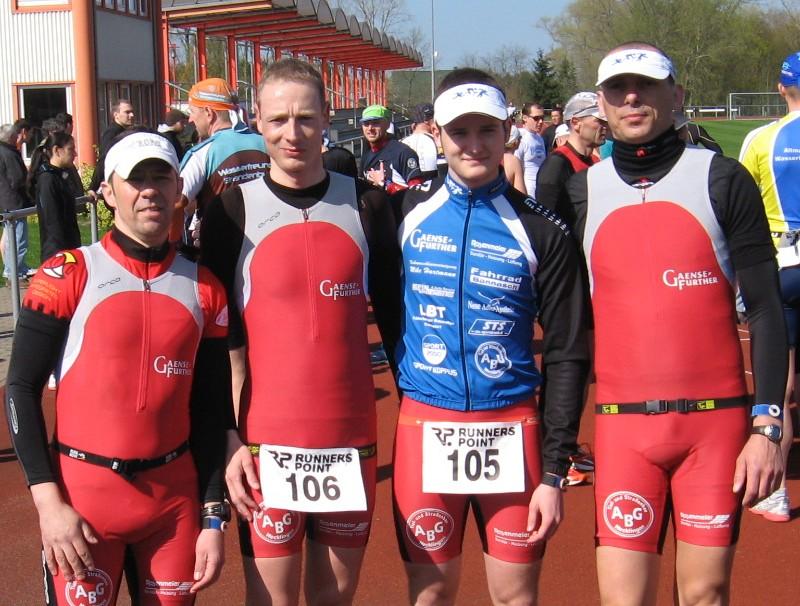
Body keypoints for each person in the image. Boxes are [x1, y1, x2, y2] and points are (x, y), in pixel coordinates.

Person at [565, 43, 786, 606]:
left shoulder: (724, 179)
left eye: (646, 86)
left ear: (677, 95)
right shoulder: (578, 191)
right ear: (602, 104)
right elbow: (567, 325)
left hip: (714, 429)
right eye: (618, 89)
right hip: (622, 430)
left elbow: (765, 308)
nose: (632, 98)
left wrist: (767, 427)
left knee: (705, 593)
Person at [200, 58, 401, 605]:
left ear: (328, 118)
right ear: (257, 120)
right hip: (265, 441)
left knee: (336, 597)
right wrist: (228, 436)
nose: (293, 133)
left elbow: (396, 322)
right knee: (270, 600)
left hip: (350, 438)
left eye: (306, 118)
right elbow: (214, 345)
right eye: (279, 119)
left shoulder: (367, 205)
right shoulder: (231, 211)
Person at [5, 131, 232, 604]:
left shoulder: (205, 288)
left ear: (179, 190)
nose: (149, 190)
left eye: (160, 178)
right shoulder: (65, 274)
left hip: (172, 507)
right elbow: (21, 388)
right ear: (108, 193)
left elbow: (212, 409)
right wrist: (48, 504)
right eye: (135, 179)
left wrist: (213, 517)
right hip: (83, 503)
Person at [393, 68, 589, 606]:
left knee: (515, 596)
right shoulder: (405, 213)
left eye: (487, 130)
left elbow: (568, 351)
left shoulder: (542, 228)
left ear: (508, 132)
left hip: (512, 428)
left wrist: (555, 467)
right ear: (438, 135)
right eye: (460, 132)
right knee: (430, 594)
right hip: (425, 423)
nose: (474, 145)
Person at [738, 50, 800, 523]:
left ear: (781, 88)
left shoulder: (762, 138)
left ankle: (775, 491)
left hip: (784, 264)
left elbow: (740, 208)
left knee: (781, 381)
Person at [180, 78, 268, 221]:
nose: (190, 119)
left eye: (192, 111)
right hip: (269, 231)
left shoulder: (201, 154)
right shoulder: (267, 143)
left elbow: (177, 203)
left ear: (208, 113)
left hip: (220, 234)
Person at [536, 92, 606, 214]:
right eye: (599, 120)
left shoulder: (595, 161)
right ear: (576, 123)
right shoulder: (556, 165)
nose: (605, 126)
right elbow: (545, 219)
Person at [27, 131, 81, 261]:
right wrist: (61, 256)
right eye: (70, 149)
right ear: (57, 150)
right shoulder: (48, 180)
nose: (75, 154)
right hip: (57, 252)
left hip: (69, 247)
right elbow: (52, 221)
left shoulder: (60, 175)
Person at [359, 104, 424, 193]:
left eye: (375, 123)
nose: (370, 128)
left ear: (387, 124)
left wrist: (386, 185)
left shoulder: (403, 153)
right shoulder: (366, 154)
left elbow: (417, 193)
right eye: (366, 124)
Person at [0, 123, 33, 280]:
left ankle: (14, 269)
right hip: (13, 201)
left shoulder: (4, 151)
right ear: (11, 137)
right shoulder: (9, 153)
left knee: (10, 238)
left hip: (5, 201)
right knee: (18, 238)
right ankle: (14, 272)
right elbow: (17, 178)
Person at [89, 99, 135, 193]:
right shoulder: (112, 133)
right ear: (116, 115)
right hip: (115, 186)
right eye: (127, 112)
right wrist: (93, 187)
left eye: (132, 112)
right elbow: (104, 159)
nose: (132, 115)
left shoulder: (126, 132)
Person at [515, 102, 547, 198]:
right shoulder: (520, 137)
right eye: (536, 118)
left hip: (540, 189)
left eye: (542, 118)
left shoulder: (539, 138)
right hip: (527, 192)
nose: (540, 122)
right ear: (525, 118)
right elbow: (515, 167)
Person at [401, 102, 439, 181]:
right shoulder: (436, 141)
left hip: (408, 186)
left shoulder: (401, 142)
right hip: (433, 185)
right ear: (427, 120)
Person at [503, 125, 526, 194]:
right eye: (520, 138)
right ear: (516, 142)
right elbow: (521, 195)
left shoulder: (491, 159)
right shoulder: (513, 162)